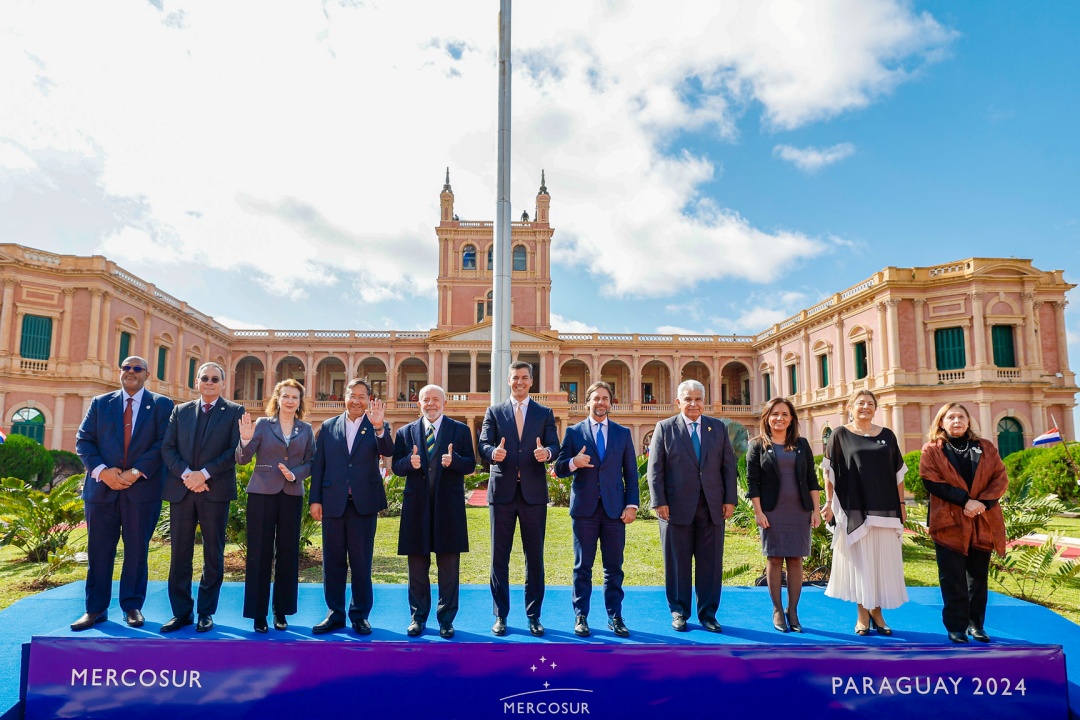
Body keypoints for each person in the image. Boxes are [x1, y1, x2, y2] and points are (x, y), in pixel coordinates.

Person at [71, 357, 174, 631]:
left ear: (146, 374)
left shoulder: (162, 405)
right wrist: (103, 471)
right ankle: (95, 609)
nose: (130, 372)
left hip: (142, 491)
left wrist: (136, 472)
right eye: (126, 368)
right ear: (120, 373)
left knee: (137, 551)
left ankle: (132, 606)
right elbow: (84, 440)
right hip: (101, 490)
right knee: (99, 551)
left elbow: (163, 443)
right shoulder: (100, 403)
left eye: (137, 369)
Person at [160, 362, 245, 633]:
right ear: (197, 381)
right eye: (205, 378)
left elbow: (234, 450)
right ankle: (181, 612)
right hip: (183, 490)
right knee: (179, 553)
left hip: (214, 492)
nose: (209, 382)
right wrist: (188, 475)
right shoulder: (180, 411)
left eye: (215, 379)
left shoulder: (234, 412)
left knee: (213, 554)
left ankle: (206, 612)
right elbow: (168, 447)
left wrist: (204, 474)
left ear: (222, 383)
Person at [647, 379, 737, 633]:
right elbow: (655, 470)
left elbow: (728, 467)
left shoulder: (717, 428)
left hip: (712, 507)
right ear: (678, 402)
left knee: (710, 563)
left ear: (704, 402)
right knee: (677, 563)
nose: (693, 403)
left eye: (698, 399)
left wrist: (729, 499)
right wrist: (659, 501)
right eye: (688, 399)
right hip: (674, 508)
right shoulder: (664, 428)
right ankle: (679, 611)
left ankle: (708, 614)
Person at [479, 361, 559, 637]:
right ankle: (500, 615)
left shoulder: (544, 413)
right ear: (508, 381)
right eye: (515, 378)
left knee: (534, 557)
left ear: (531, 381)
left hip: (533, 495)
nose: (520, 382)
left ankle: (534, 615)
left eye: (524, 378)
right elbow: (484, 444)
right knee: (498, 557)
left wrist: (546, 453)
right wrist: (492, 453)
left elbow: (555, 445)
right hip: (501, 494)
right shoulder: (495, 411)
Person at [554, 381, 639, 638]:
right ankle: (581, 616)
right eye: (596, 398)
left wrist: (632, 505)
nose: (600, 402)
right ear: (587, 402)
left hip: (615, 511)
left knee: (614, 567)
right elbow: (558, 468)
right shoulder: (573, 432)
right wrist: (573, 462)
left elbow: (631, 473)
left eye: (605, 398)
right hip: (584, 511)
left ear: (610, 403)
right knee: (583, 566)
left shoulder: (622, 434)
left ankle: (615, 616)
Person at [309, 379, 393, 635]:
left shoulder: (377, 425)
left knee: (360, 562)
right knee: (332, 562)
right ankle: (334, 613)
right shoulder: (328, 426)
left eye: (362, 396)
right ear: (344, 397)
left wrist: (379, 428)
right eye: (352, 395)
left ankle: (359, 615)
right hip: (333, 503)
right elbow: (319, 464)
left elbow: (389, 450)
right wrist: (315, 499)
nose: (356, 400)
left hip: (363, 505)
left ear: (369, 399)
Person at [821, 389, 908, 635]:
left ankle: (877, 612)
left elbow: (898, 474)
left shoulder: (888, 436)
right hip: (854, 510)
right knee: (861, 564)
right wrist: (829, 502)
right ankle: (862, 614)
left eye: (870, 403)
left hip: (886, 510)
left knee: (880, 563)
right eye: (860, 403)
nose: (865, 407)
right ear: (851, 407)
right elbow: (829, 472)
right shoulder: (840, 435)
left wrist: (902, 506)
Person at [392, 385, 475, 639]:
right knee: (417, 566)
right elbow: (396, 465)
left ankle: (446, 619)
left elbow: (471, 464)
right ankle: (418, 617)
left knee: (448, 567)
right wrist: (409, 462)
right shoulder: (405, 433)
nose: (431, 404)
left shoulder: (459, 430)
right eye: (425, 400)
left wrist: (455, 461)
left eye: (435, 399)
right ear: (419, 404)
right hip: (416, 508)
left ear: (444, 403)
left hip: (448, 509)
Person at [920, 403, 1008, 643]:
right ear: (941, 422)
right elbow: (931, 481)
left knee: (977, 578)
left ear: (968, 421)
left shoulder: (986, 448)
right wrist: (965, 501)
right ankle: (956, 626)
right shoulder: (932, 450)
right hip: (948, 523)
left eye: (961, 417)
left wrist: (982, 503)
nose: (956, 421)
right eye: (951, 417)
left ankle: (976, 624)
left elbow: (1000, 477)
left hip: (982, 520)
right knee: (952, 577)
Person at [236, 379, 315, 633]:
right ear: (277, 399)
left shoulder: (306, 429)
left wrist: (295, 474)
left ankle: (281, 611)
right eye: (286, 396)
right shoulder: (261, 425)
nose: (290, 401)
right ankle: (258, 614)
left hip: (291, 493)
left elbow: (312, 462)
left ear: (300, 402)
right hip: (262, 493)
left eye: (295, 397)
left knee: (288, 553)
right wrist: (245, 441)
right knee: (259, 553)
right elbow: (242, 459)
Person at [746, 397, 821, 633]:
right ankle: (777, 610)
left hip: (799, 510)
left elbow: (811, 479)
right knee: (775, 559)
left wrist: (816, 510)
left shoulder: (802, 444)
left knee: (796, 559)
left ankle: (793, 610)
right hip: (771, 510)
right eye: (775, 414)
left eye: (785, 414)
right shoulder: (757, 445)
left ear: (791, 419)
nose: (779, 418)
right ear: (767, 418)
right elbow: (753, 482)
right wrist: (758, 512)